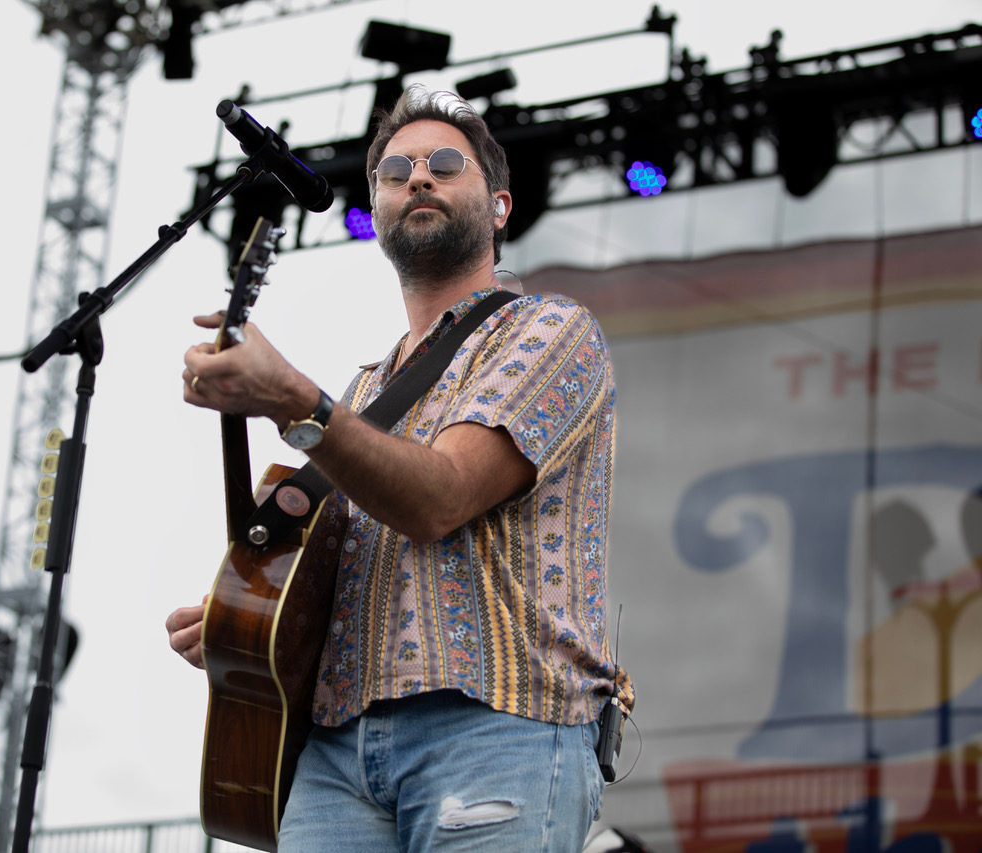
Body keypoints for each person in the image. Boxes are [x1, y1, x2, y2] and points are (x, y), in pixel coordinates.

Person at [166, 86, 634, 852]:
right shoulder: (359, 394)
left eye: (445, 164)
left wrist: (290, 397)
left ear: (501, 204)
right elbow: (334, 579)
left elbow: (440, 497)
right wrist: (247, 621)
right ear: (375, 209)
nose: (418, 177)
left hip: (498, 728)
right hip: (336, 751)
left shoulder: (552, 330)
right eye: (394, 170)